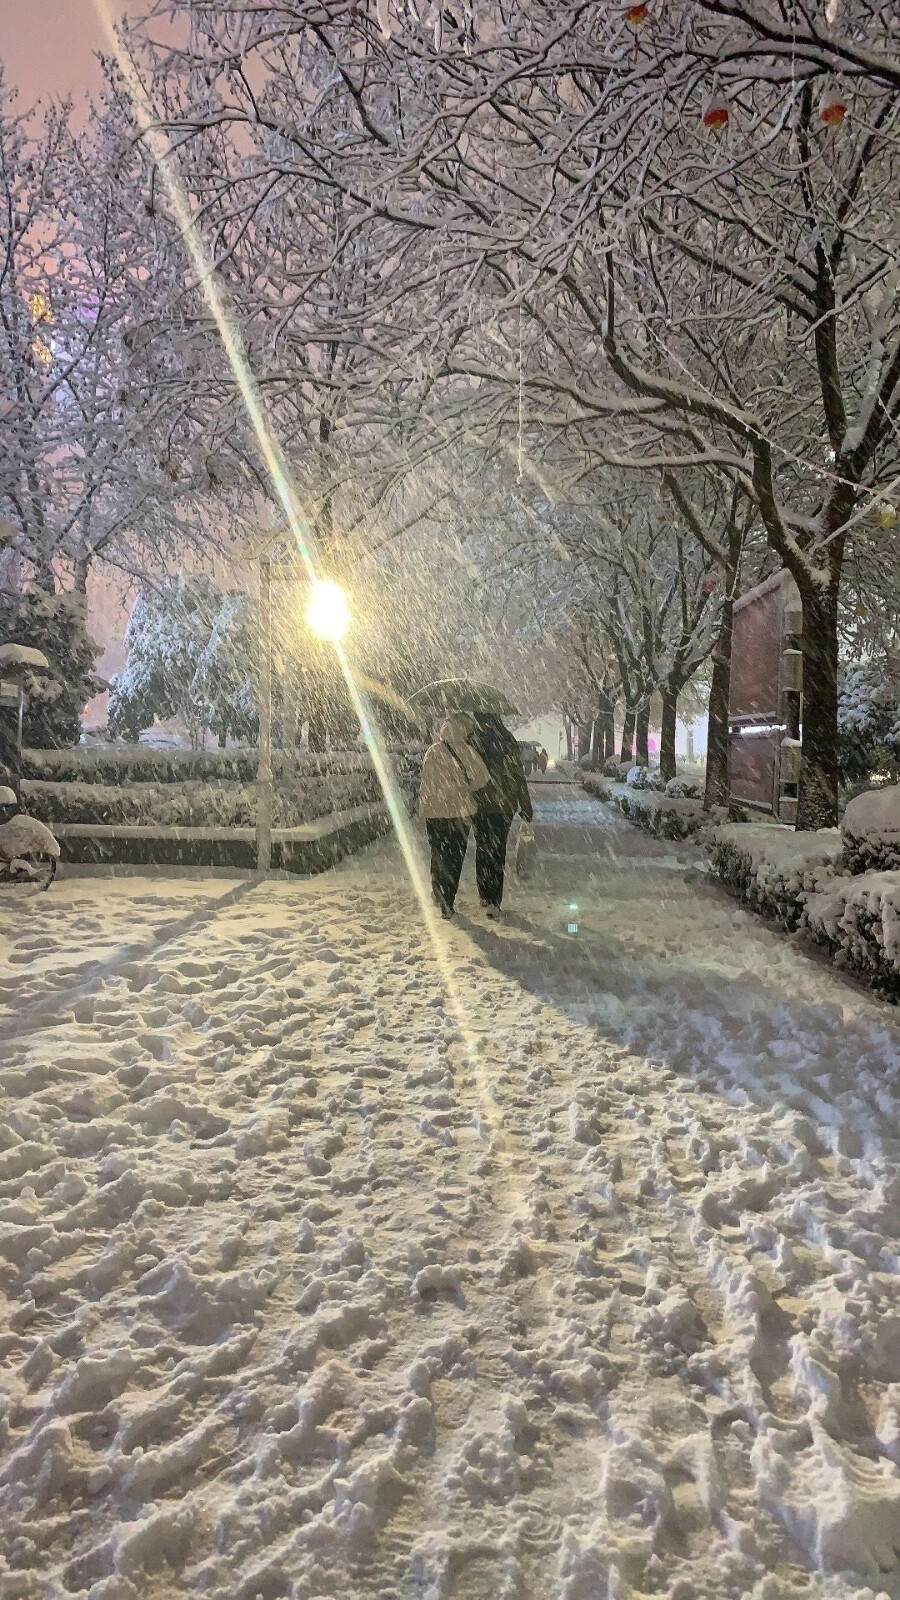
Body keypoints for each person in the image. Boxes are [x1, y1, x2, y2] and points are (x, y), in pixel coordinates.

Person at [418, 714, 490, 918]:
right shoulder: (468, 752)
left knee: (438, 853)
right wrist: (467, 787)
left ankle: (438, 891)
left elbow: (425, 781)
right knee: (454, 856)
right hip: (460, 812)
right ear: (464, 730)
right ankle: (447, 900)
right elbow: (484, 778)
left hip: (434, 812)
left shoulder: (433, 752)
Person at [469, 713, 534, 918]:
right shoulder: (507, 740)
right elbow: (517, 775)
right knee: (497, 851)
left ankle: (484, 894)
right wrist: (525, 805)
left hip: (479, 804)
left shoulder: (473, 739)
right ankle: (494, 899)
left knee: (482, 848)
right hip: (503, 806)